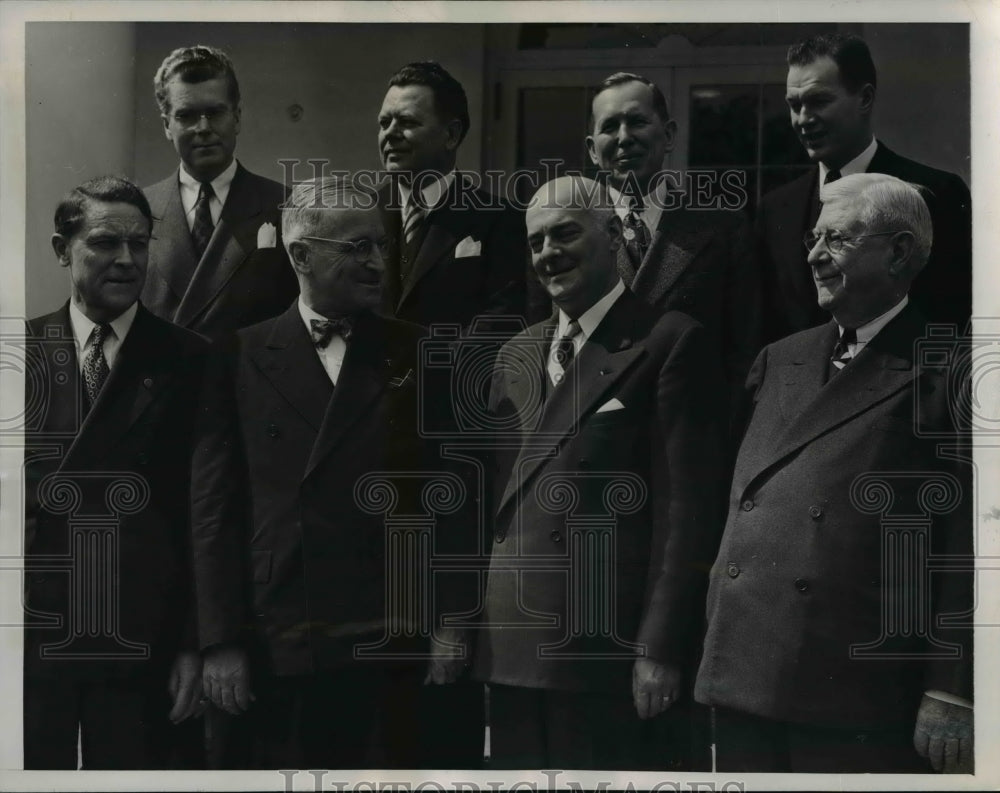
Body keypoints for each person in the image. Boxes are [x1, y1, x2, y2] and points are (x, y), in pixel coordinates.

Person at [695, 173, 973, 773]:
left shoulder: (948, 367)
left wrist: (952, 686)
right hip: (743, 667)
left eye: (838, 240)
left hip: (855, 686)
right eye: (813, 240)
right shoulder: (778, 358)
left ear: (899, 252)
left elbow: (967, 548)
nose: (816, 257)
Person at [191, 176, 463, 768]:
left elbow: (454, 505)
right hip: (278, 636)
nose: (377, 263)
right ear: (300, 255)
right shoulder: (235, 356)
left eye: (381, 246)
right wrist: (221, 641)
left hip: (392, 638)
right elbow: (213, 513)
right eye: (356, 248)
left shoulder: (420, 352)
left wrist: (452, 624)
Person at [472, 176, 726, 769]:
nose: (548, 254)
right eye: (535, 243)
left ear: (613, 233)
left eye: (565, 234)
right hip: (508, 644)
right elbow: (485, 506)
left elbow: (685, 514)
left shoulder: (669, 341)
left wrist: (659, 646)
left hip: (602, 649)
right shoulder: (516, 353)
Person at [23, 176, 208, 768]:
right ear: (61, 248)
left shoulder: (190, 360)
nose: (126, 260)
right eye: (105, 243)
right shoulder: (18, 354)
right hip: (30, 634)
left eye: (139, 243)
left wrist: (191, 644)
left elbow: (203, 517)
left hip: (139, 639)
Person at [758, 32, 971, 343]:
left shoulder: (936, 193)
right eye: (794, 105)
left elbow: (954, 315)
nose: (803, 119)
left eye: (819, 101)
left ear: (865, 98)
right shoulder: (775, 209)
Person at [585, 72, 760, 405]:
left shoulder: (722, 227)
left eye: (637, 121)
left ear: (668, 135)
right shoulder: (566, 234)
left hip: (689, 437)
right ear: (593, 150)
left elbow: (745, 351)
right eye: (609, 127)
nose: (624, 138)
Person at [141, 45, 297, 340]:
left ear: (236, 118)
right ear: (166, 126)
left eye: (214, 113)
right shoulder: (140, 209)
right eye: (186, 116)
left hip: (246, 382)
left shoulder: (285, 205)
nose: (203, 128)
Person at [375, 61, 532, 336]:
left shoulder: (500, 219)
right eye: (384, 122)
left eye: (408, 122)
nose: (390, 133)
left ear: (451, 135)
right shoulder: (360, 214)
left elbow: (500, 321)